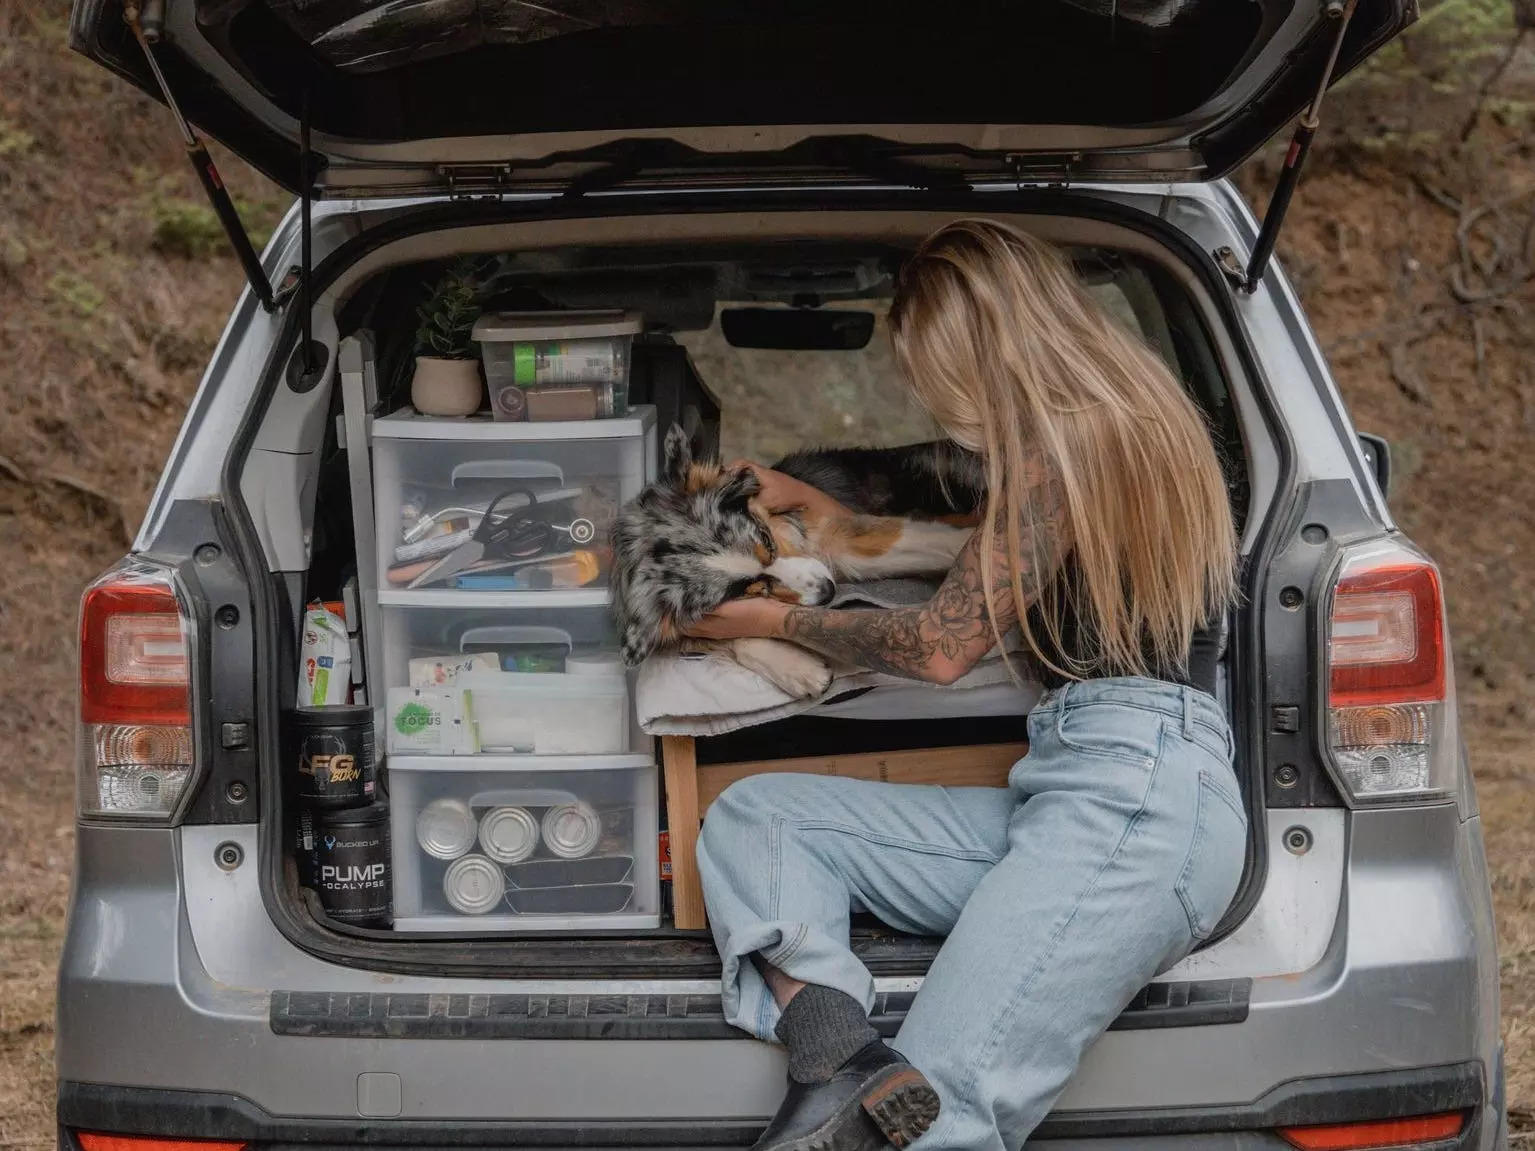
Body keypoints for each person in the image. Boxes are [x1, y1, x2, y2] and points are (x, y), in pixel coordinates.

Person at [684, 219, 1247, 1151]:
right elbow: (985, 564)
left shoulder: (1061, 449)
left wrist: (764, 619)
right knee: (757, 818)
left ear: (981, 347)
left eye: (932, 371)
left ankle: (863, 1111)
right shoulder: (1123, 425)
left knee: (931, 1127)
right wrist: (831, 515)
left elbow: (938, 646)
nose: (932, 397)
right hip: (1075, 788)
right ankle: (840, 1056)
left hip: (1134, 803)